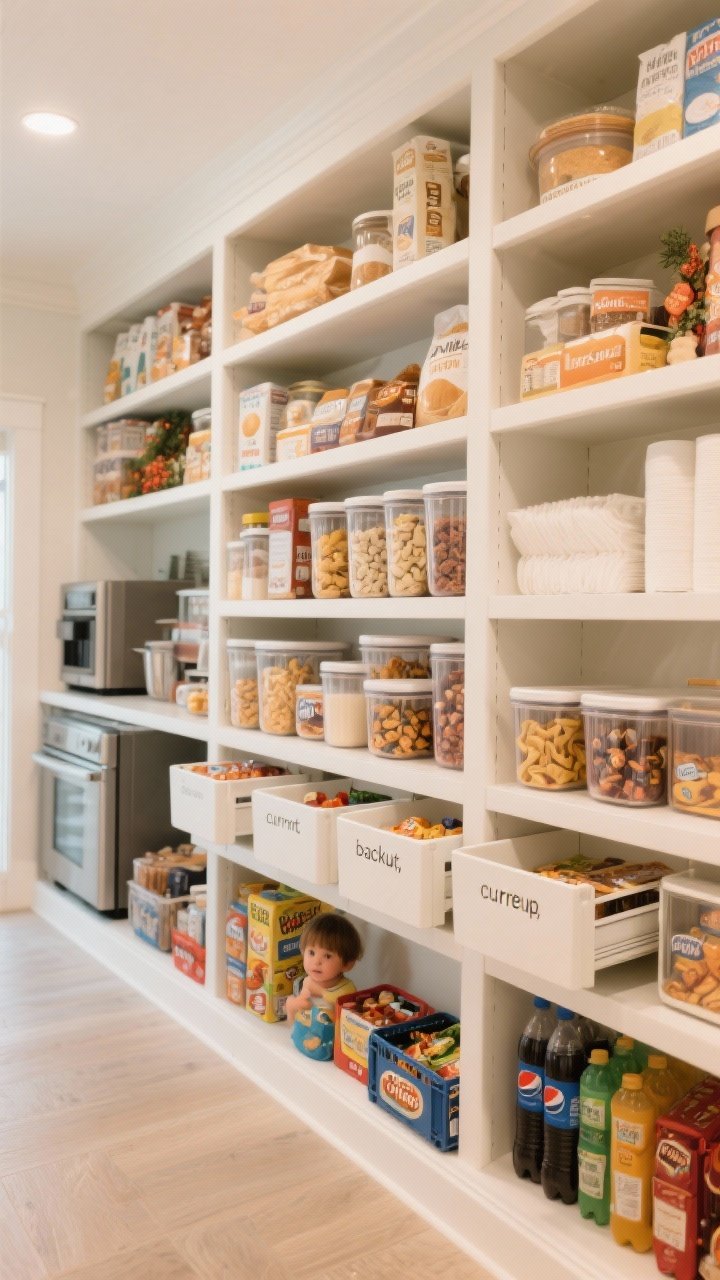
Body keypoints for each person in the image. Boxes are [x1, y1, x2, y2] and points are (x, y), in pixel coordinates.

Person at [286, 912, 363, 1060]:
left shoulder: (347, 988)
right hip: (305, 1034)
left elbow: (337, 1001)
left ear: (347, 964)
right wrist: (295, 1005)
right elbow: (304, 1006)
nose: (317, 962)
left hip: (328, 1045)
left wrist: (320, 990)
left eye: (327, 956)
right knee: (294, 1006)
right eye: (311, 952)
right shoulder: (307, 981)